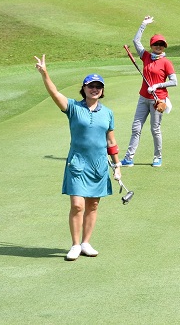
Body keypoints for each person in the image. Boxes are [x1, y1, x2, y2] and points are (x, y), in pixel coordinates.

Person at [34, 55, 122, 261]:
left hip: (99, 164)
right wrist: (44, 73)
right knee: (78, 205)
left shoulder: (108, 113)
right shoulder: (73, 107)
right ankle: (75, 245)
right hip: (78, 163)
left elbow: (111, 142)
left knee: (93, 205)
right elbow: (54, 93)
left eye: (98, 86)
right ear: (84, 88)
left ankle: (86, 242)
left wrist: (117, 165)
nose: (95, 89)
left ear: (102, 90)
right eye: (91, 86)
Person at [121, 16, 177, 168]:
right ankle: (128, 158)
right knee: (136, 128)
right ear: (151, 45)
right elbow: (136, 41)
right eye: (156, 44)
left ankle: (157, 157)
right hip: (143, 98)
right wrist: (143, 24)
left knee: (155, 129)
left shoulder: (166, 62)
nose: (158, 46)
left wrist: (158, 85)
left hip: (158, 100)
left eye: (161, 44)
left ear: (164, 47)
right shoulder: (145, 56)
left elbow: (174, 81)